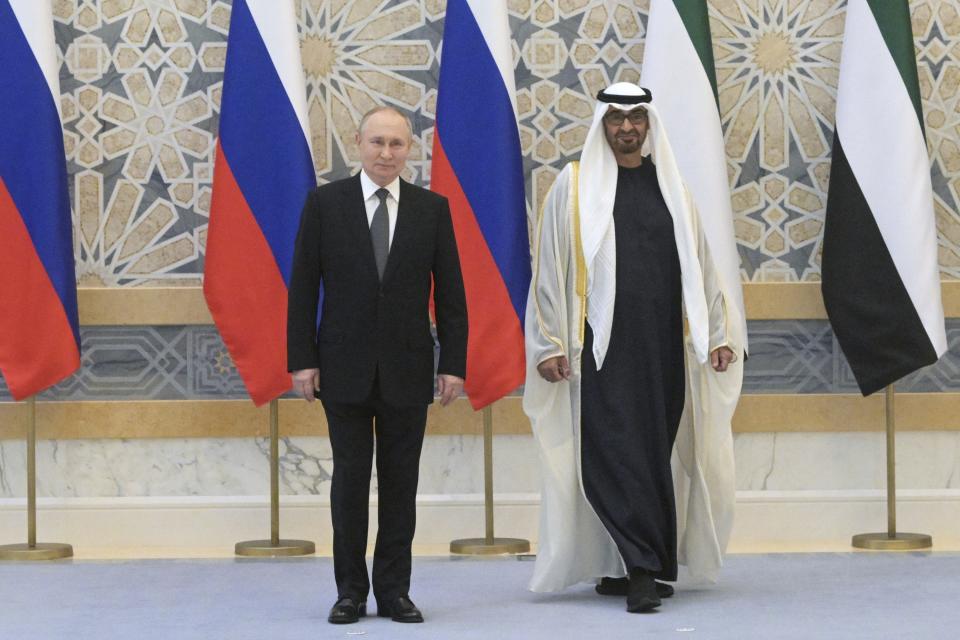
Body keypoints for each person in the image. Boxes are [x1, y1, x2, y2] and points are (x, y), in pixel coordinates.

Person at [523, 82, 742, 613]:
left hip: (665, 347)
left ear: (648, 126)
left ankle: (625, 563)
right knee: (617, 452)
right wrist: (548, 343)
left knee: (653, 450)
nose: (627, 127)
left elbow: (702, 265)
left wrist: (717, 333)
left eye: (636, 118)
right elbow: (550, 270)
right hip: (601, 349)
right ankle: (644, 569)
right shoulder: (573, 188)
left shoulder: (672, 186)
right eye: (617, 118)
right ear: (603, 124)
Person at [287, 106, 467, 625]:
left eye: (396, 144)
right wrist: (302, 360)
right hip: (341, 369)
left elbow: (452, 295)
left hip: (409, 372)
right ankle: (349, 592)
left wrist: (452, 364)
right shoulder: (325, 204)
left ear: (409, 149)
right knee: (348, 484)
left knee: (399, 486)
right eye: (377, 143)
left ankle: (394, 591)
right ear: (358, 144)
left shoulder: (432, 209)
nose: (386, 154)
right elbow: (303, 289)